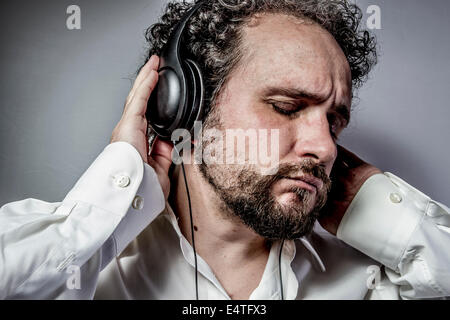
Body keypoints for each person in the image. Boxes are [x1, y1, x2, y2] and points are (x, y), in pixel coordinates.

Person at [0, 0, 449, 300]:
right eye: (286, 106)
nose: (326, 147)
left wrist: (389, 218)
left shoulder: (373, 282)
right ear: (183, 108)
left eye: (334, 121)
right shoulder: (78, 265)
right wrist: (102, 206)